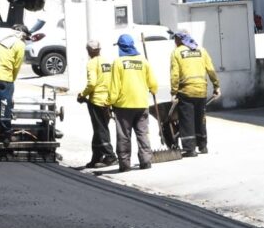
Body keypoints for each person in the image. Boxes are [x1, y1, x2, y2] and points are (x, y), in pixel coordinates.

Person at [107, 34, 158, 172]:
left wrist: (109, 102)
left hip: (123, 106)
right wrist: (152, 90)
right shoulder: (144, 61)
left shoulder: (118, 63)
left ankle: (124, 164)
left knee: (124, 135)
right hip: (142, 104)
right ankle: (146, 161)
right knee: (142, 133)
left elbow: (115, 87)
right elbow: (153, 84)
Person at [170, 30, 220, 157]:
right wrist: (216, 86)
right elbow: (211, 70)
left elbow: (175, 75)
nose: (175, 42)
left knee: (187, 120)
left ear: (180, 39)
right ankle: (203, 146)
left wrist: (174, 92)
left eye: (175, 39)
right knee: (200, 119)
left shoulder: (176, 53)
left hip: (186, 91)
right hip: (201, 91)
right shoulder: (201, 50)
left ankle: (189, 149)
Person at [77, 40, 118, 168]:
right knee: (98, 129)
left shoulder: (91, 63)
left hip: (97, 101)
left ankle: (110, 156)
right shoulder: (107, 62)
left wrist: (82, 95)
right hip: (107, 100)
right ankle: (96, 157)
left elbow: (92, 83)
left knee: (101, 129)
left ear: (89, 51)